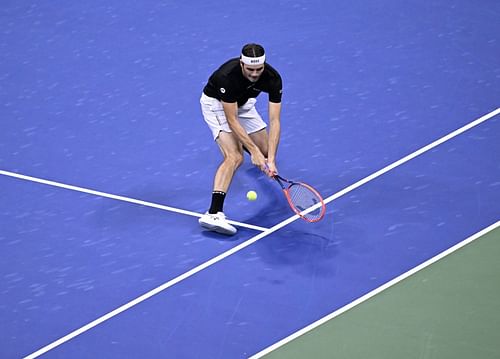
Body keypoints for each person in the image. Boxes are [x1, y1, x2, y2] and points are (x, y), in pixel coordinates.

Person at [198, 43, 283, 235]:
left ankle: (258, 155)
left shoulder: (273, 78)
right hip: (218, 105)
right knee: (235, 157)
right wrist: (252, 151)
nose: (255, 74)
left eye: (259, 69)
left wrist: (270, 160)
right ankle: (213, 213)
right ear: (242, 64)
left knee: (266, 152)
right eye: (250, 69)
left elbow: (275, 121)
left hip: (244, 105)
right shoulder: (226, 77)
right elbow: (232, 120)